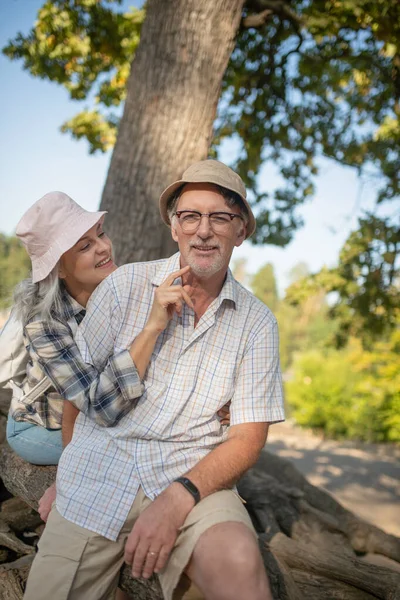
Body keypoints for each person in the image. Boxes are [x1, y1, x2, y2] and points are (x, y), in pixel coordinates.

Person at [24, 160, 285, 600]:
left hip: (192, 475)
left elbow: (246, 438)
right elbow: (80, 399)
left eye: (220, 217)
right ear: (174, 228)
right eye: (190, 216)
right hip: (99, 472)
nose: (203, 230)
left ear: (241, 231)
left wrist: (179, 497)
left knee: (241, 566)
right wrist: (66, 475)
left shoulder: (257, 323)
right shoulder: (124, 286)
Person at [4, 192, 194, 466]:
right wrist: (151, 328)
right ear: (58, 270)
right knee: (126, 459)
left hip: (97, 421)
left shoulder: (125, 291)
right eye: (85, 247)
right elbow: (98, 405)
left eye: (101, 234)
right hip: (42, 427)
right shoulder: (44, 324)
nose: (104, 247)